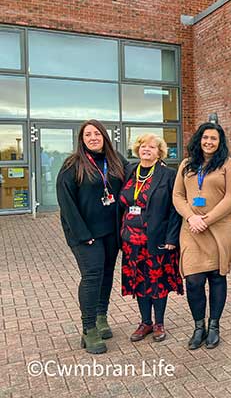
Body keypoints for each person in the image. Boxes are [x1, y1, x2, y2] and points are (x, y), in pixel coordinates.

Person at [56, 119, 127, 354]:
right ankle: (89, 329)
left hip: (111, 232)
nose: (93, 138)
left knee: (107, 274)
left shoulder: (115, 160)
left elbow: (137, 175)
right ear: (82, 139)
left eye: (97, 134)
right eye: (88, 135)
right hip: (86, 235)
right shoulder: (72, 165)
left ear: (104, 136)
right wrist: (82, 235)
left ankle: (100, 316)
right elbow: (66, 203)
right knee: (92, 275)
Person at [173, 123, 231, 350]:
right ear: (199, 140)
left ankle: (214, 327)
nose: (209, 142)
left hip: (221, 228)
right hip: (192, 229)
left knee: (216, 276)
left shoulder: (228, 165)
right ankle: (198, 326)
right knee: (193, 280)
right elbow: (178, 196)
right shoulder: (186, 165)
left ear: (220, 142)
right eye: (205, 138)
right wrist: (192, 218)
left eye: (214, 138)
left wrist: (207, 219)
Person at [119, 134, 183, 343]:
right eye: (143, 146)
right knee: (139, 282)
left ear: (159, 152)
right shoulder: (128, 172)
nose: (147, 149)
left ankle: (159, 323)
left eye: (152, 147)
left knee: (157, 282)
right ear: (138, 149)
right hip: (131, 240)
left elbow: (175, 209)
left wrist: (172, 238)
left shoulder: (168, 174)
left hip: (156, 239)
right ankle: (145, 322)